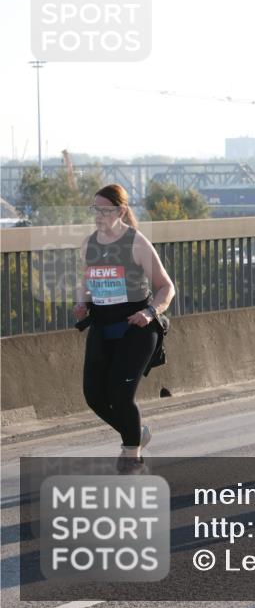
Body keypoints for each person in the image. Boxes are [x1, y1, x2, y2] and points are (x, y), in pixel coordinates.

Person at [74, 184, 175, 473]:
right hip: (103, 328)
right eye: (96, 209)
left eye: (105, 210)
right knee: (94, 396)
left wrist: (149, 311)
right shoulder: (89, 244)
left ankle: (131, 454)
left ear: (120, 211)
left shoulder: (136, 242)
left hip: (137, 327)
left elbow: (166, 287)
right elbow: (86, 282)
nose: (99, 215)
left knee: (120, 394)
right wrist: (82, 304)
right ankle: (136, 434)